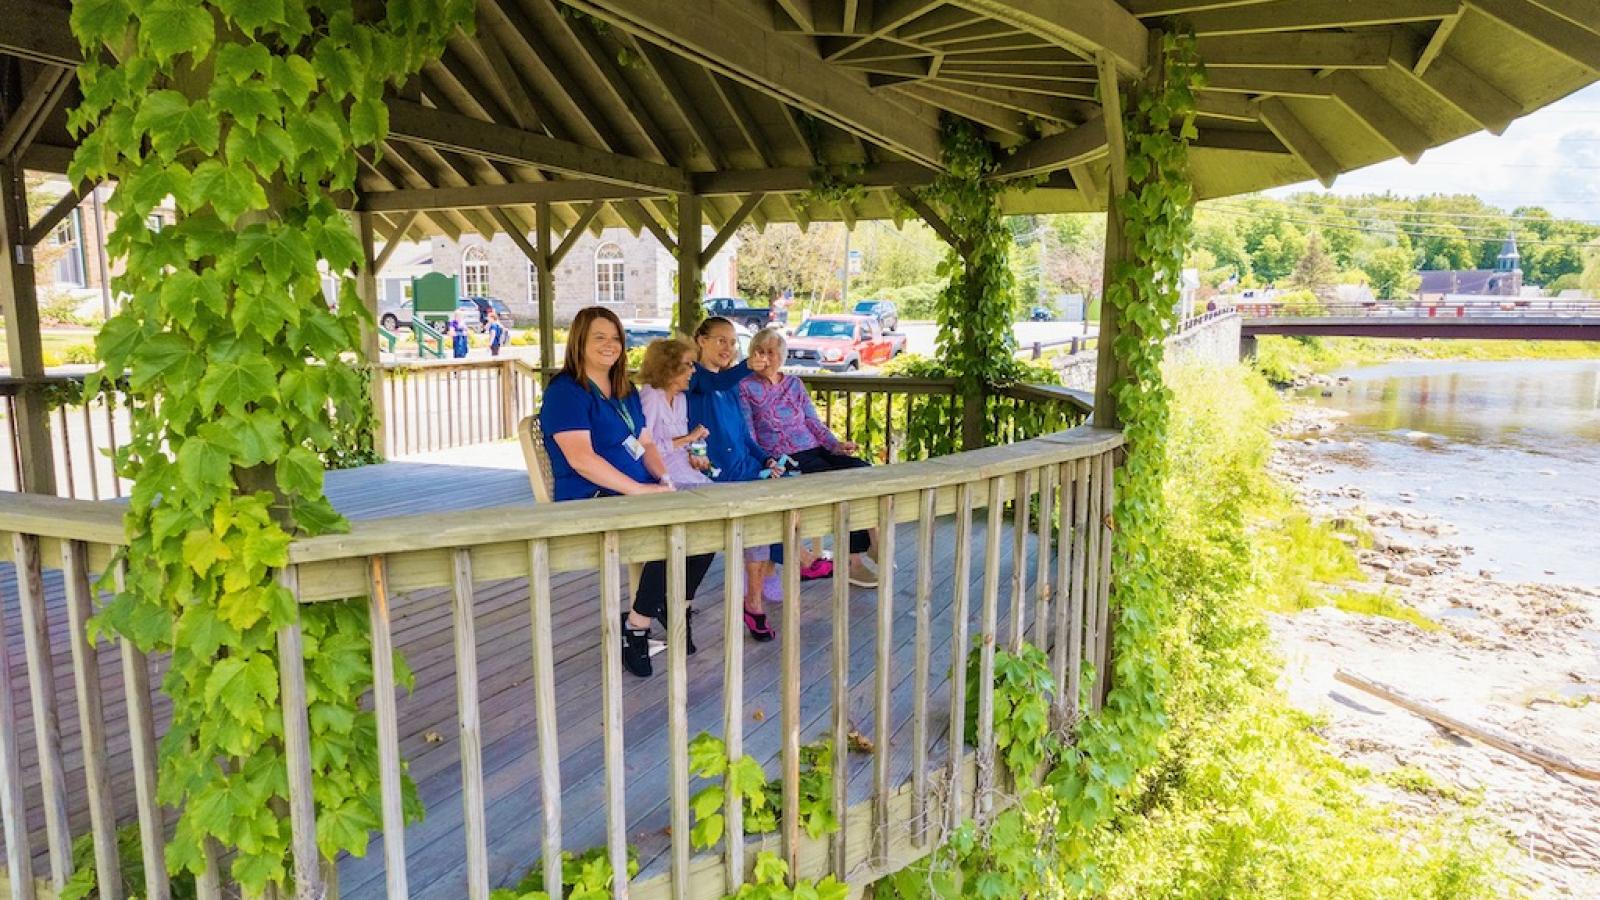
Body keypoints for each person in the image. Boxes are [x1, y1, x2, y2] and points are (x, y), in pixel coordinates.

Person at [539, 307, 713, 677]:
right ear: (579, 341)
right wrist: (638, 490)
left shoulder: (624, 390)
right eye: (599, 337)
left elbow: (647, 443)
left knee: (706, 527)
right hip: (589, 498)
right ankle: (641, 623)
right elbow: (582, 460)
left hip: (633, 492)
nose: (610, 344)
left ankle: (655, 610)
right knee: (675, 531)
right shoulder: (566, 392)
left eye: (615, 337)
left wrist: (664, 480)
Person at [688, 316, 829, 639]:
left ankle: (756, 599)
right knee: (764, 512)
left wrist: (766, 458)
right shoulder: (695, 378)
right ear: (701, 340)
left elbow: (744, 435)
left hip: (746, 467)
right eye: (720, 340)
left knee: (788, 490)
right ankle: (798, 564)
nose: (728, 348)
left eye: (732, 342)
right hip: (716, 473)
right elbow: (713, 384)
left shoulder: (729, 387)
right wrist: (746, 367)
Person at [739, 327, 880, 586]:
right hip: (785, 457)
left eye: (773, 351)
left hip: (815, 447)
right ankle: (856, 559)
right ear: (753, 354)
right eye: (761, 351)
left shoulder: (794, 383)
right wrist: (765, 462)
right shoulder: (746, 387)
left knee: (862, 468)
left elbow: (812, 422)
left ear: (782, 355)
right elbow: (749, 432)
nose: (768, 357)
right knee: (839, 480)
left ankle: (872, 541)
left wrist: (835, 445)